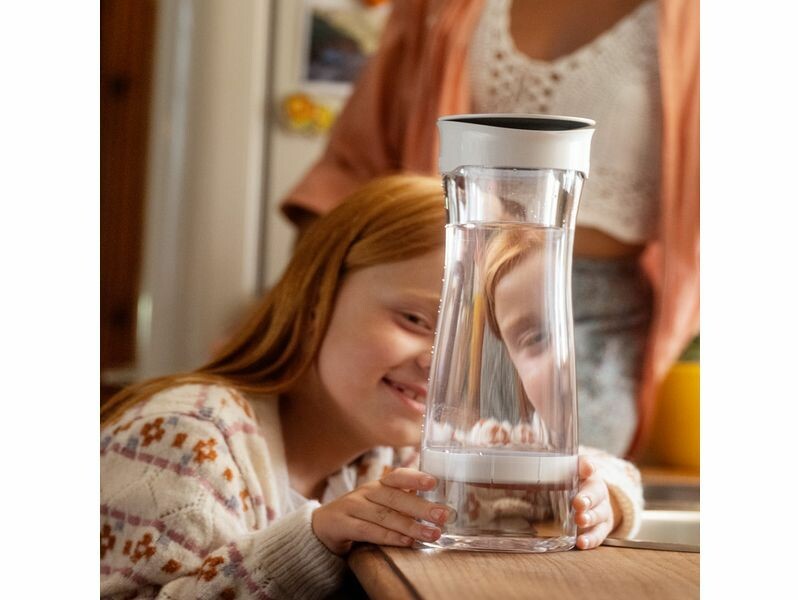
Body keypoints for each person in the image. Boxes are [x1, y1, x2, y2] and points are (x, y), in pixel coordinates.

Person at [101, 175, 644, 599]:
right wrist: (311, 542)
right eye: (414, 319)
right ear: (315, 297)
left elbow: (597, 468)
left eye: (477, 344)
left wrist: (601, 499)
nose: (440, 366)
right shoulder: (183, 439)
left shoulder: (397, 451)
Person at [281, 0, 700, 459]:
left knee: (555, 485)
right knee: (390, 479)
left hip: (587, 320)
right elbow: (354, 160)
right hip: (433, 291)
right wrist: (299, 308)